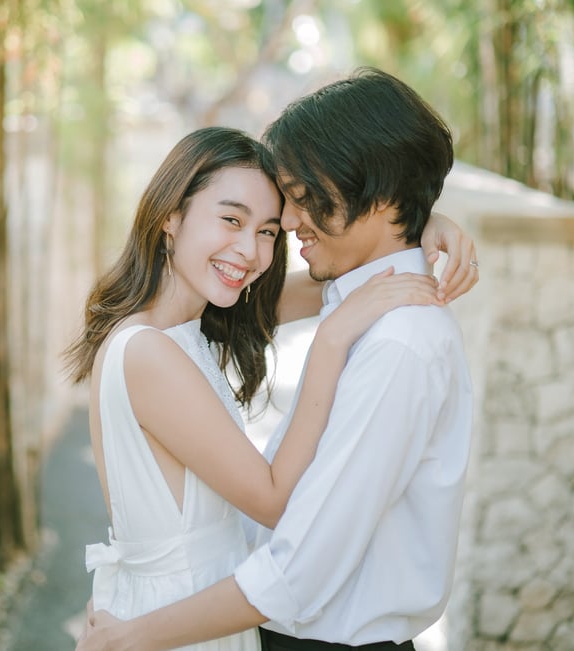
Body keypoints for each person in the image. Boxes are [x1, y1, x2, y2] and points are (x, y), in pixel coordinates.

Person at [75, 67, 475, 651]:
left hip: (208, 614)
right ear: (171, 214)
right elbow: (271, 501)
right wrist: (334, 336)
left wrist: (417, 222)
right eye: (232, 219)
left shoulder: (203, 323)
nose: (270, 237)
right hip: (186, 620)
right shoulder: (153, 348)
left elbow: (340, 284)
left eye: (268, 227)